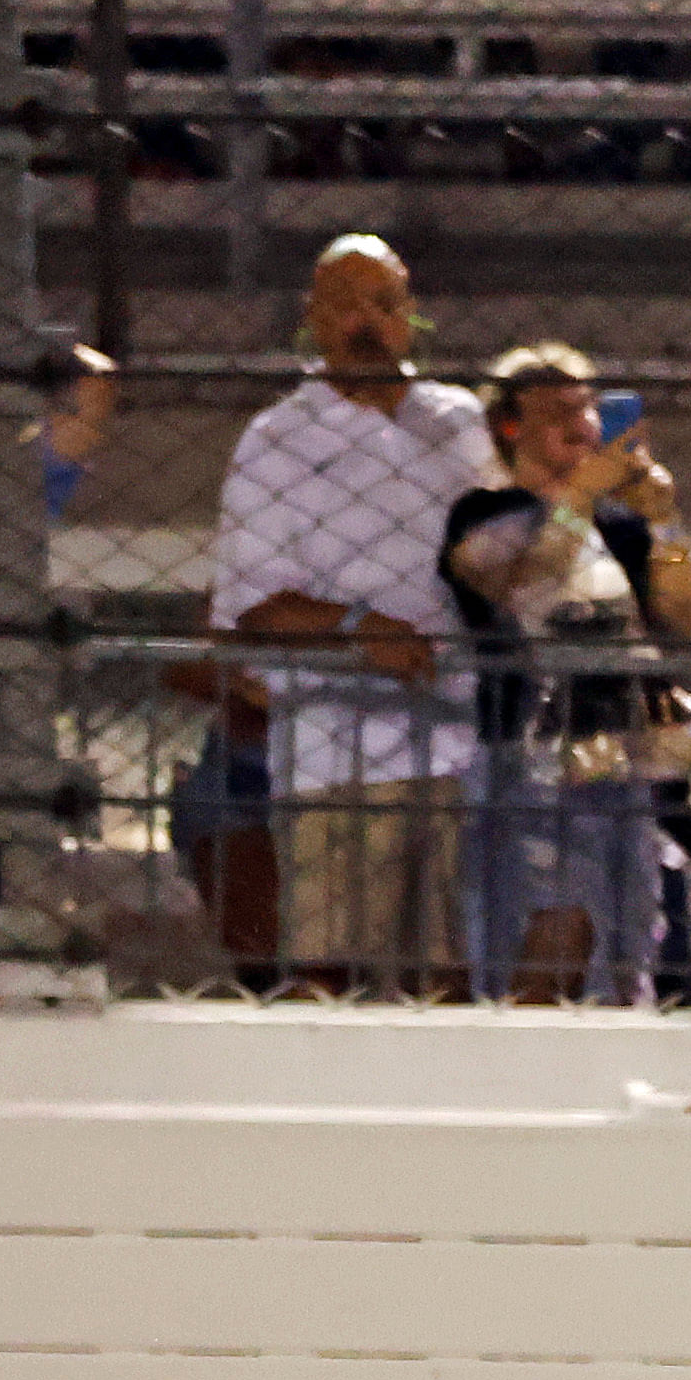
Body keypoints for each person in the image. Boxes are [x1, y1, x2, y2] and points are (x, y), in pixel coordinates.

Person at [214, 236, 498, 1000]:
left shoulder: (462, 422)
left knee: (451, 974)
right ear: (312, 317)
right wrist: (361, 629)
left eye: (383, 303)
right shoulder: (276, 438)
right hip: (331, 746)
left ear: (413, 318)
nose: (365, 322)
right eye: (343, 304)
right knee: (326, 967)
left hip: (458, 738)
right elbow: (251, 603)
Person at [441, 343, 691, 1005]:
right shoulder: (483, 511)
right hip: (530, 752)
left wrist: (664, 524)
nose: (581, 422)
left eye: (588, 406)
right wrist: (579, 495)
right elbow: (520, 586)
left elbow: (683, 616)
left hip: (622, 755)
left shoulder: (616, 522)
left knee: (627, 942)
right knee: (549, 927)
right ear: (511, 425)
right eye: (558, 409)